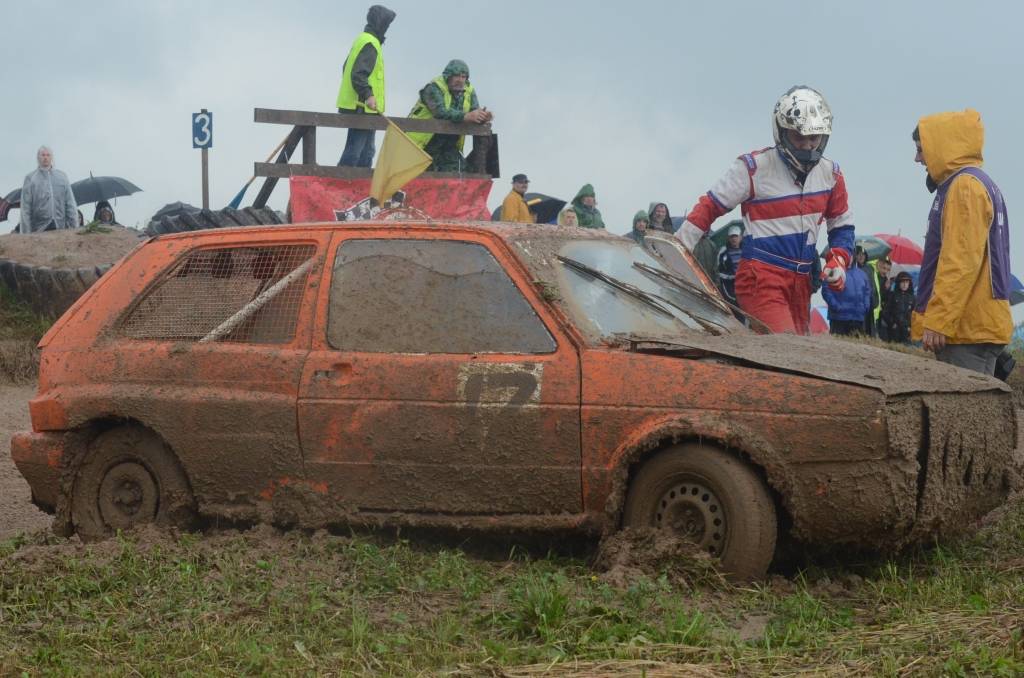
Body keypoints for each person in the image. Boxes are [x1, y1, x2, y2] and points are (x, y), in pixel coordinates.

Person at [676, 86, 855, 334]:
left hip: (802, 281)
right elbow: (710, 206)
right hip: (761, 276)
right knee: (785, 346)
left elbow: (842, 225)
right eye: (799, 137)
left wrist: (839, 260)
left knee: (800, 351)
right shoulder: (753, 168)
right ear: (782, 132)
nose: (807, 146)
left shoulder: (831, 174)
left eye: (814, 138)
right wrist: (677, 248)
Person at [911, 109, 1013, 375]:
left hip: (966, 331)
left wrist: (939, 321)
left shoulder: (964, 187)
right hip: (975, 326)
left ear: (941, 147)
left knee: (964, 402)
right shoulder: (978, 183)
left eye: (921, 150)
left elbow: (959, 261)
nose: (917, 158)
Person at [336, 5, 396, 167]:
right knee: (356, 151)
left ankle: (356, 181)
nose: (387, 28)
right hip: (362, 106)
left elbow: (346, 68)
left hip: (363, 107)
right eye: (387, 24)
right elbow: (358, 74)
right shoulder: (371, 43)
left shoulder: (363, 39)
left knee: (366, 151)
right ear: (381, 23)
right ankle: (344, 180)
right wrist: (368, 94)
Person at [407, 59, 492, 172]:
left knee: (461, 173)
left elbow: (474, 111)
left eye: (463, 77)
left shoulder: (469, 90)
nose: (460, 80)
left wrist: (482, 117)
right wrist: (466, 116)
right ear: (448, 76)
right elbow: (440, 112)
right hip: (422, 144)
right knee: (418, 175)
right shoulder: (433, 88)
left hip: (448, 146)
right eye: (456, 76)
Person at [19, 146, 78, 233]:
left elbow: (70, 203)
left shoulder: (62, 177)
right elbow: (25, 208)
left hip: (60, 227)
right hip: (39, 229)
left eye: (48, 155)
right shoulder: (30, 178)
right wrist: (26, 233)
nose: (45, 158)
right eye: (43, 155)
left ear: (52, 157)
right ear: (38, 157)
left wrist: (74, 226)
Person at [822, 260, 871, 336]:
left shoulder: (862, 273)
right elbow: (826, 290)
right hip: (839, 318)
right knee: (838, 343)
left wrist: (865, 306)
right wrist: (836, 307)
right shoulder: (832, 270)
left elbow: (867, 291)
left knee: (857, 343)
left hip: (857, 318)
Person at [882, 271, 915, 344]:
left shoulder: (913, 298)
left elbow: (914, 315)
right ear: (898, 283)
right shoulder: (893, 295)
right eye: (902, 282)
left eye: (907, 282)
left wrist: (910, 327)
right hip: (894, 330)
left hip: (907, 331)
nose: (904, 284)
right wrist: (892, 324)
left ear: (909, 283)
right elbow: (886, 312)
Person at [854, 247, 879, 337]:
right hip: (857, 303)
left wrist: (875, 299)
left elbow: (874, 285)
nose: (861, 257)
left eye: (863, 254)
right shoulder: (853, 268)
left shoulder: (870, 268)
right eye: (859, 254)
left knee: (869, 329)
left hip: (868, 302)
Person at [717, 223, 743, 306]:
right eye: (732, 236)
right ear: (728, 238)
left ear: (740, 237)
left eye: (736, 236)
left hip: (744, 283)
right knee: (734, 304)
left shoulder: (746, 251)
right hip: (729, 285)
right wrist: (732, 276)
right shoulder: (723, 252)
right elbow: (719, 271)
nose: (734, 239)